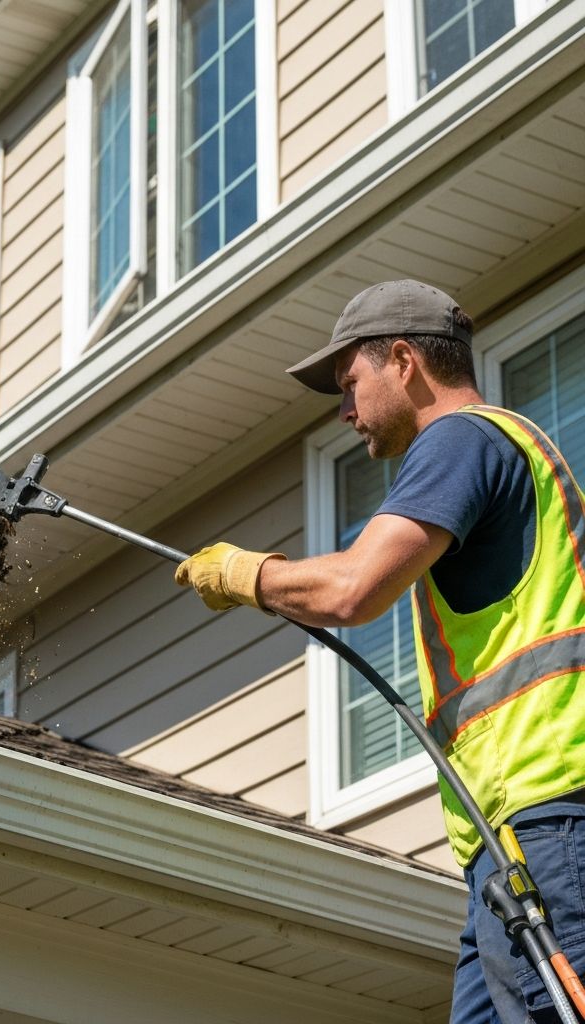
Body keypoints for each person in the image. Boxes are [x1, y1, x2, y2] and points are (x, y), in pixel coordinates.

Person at [175, 279, 585, 1023]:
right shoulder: (496, 451)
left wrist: (244, 574)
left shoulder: (461, 440)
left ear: (402, 360)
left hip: (551, 816)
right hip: (507, 845)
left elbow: (352, 591)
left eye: (350, 382)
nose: (344, 410)